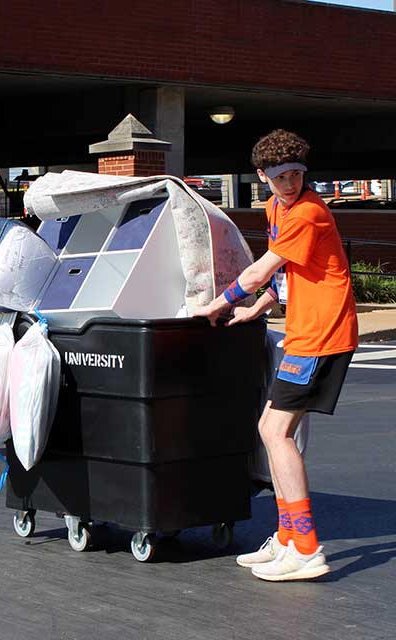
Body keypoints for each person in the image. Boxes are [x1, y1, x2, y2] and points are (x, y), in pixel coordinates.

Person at [194, 129, 358, 581]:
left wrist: (220, 303)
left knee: (275, 430)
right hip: (305, 331)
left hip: (322, 335)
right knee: (272, 429)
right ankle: (288, 538)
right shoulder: (275, 208)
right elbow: (285, 274)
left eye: (297, 174)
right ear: (263, 176)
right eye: (281, 176)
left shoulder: (308, 211)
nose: (290, 183)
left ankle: (305, 547)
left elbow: (261, 268)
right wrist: (258, 308)